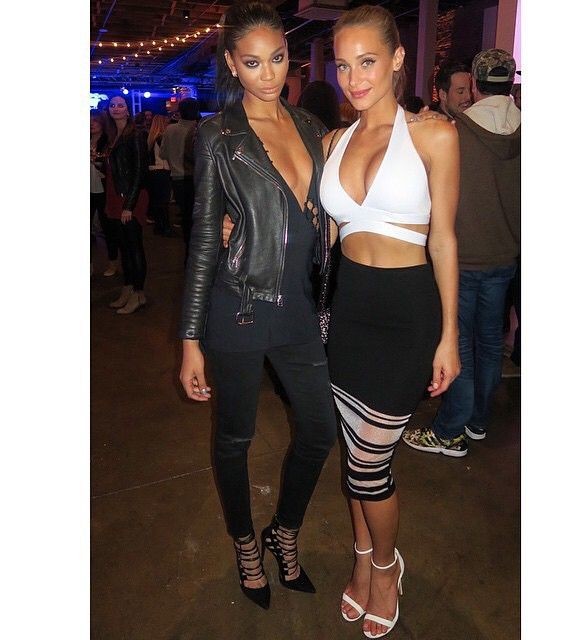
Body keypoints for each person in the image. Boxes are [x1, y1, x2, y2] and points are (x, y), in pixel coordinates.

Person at [178, 1, 337, 612]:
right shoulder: (218, 135)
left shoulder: (310, 127)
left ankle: (284, 531)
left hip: (297, 308)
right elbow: (202, 238)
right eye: (253, 63)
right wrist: (190, 339)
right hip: (238, 307)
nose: (268, 74)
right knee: (235, 437)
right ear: (231, 64)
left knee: (318, 430)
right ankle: (246, 543)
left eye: (277, 58)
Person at [320, 6, 460, 637]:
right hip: (347, 314)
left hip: (407, 315)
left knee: (369, 465)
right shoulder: (333, 142)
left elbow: (445, 239)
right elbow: (323, 235)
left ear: (398, 58)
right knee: (355, 454)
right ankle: (360, 557)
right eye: (343, 65)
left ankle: (384, 565)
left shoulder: (434, 135)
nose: (354, 79)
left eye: (368, 61)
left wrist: (450, 334)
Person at [403, 48, 520, 455]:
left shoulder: (455, 131)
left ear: (474, 82)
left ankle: (450, 430)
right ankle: (478, 420)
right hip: (505, 257)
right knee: (490, 343)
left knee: (459, 346)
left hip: (462, 258)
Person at [103, 94, 150, 314]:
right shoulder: (113, 135)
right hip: (115, 195)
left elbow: (140, 171)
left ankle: (139, 294)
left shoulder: (136, 134)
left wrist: (129, 205)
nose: (116, 108)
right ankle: (128, 288)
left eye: (120, 105)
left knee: (134, 246)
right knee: (123, 246)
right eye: (112, 105)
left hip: (130, 197)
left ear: (128, 109)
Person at [160, 97, 199, 261]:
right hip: (198, 178)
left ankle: (189, 253)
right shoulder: (200, 129)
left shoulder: (170, 130)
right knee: (200, 217)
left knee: (186, 216)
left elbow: (163, 154)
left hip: (177, 178)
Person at [90, 109, 119, 276]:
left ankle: (112, 262)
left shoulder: (108, 142)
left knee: (108, 228)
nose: (91, 123)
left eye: (94, 120)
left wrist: (99, 163)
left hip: (102, 190)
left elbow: (112, 169)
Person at [146, 114, 173, 236]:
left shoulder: (151, 138)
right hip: (162, 170)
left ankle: (159, 226)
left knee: (157, 201)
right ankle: (165, 227)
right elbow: (165, 155)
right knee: (163, 202)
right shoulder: (161, 137)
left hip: (153, 171)